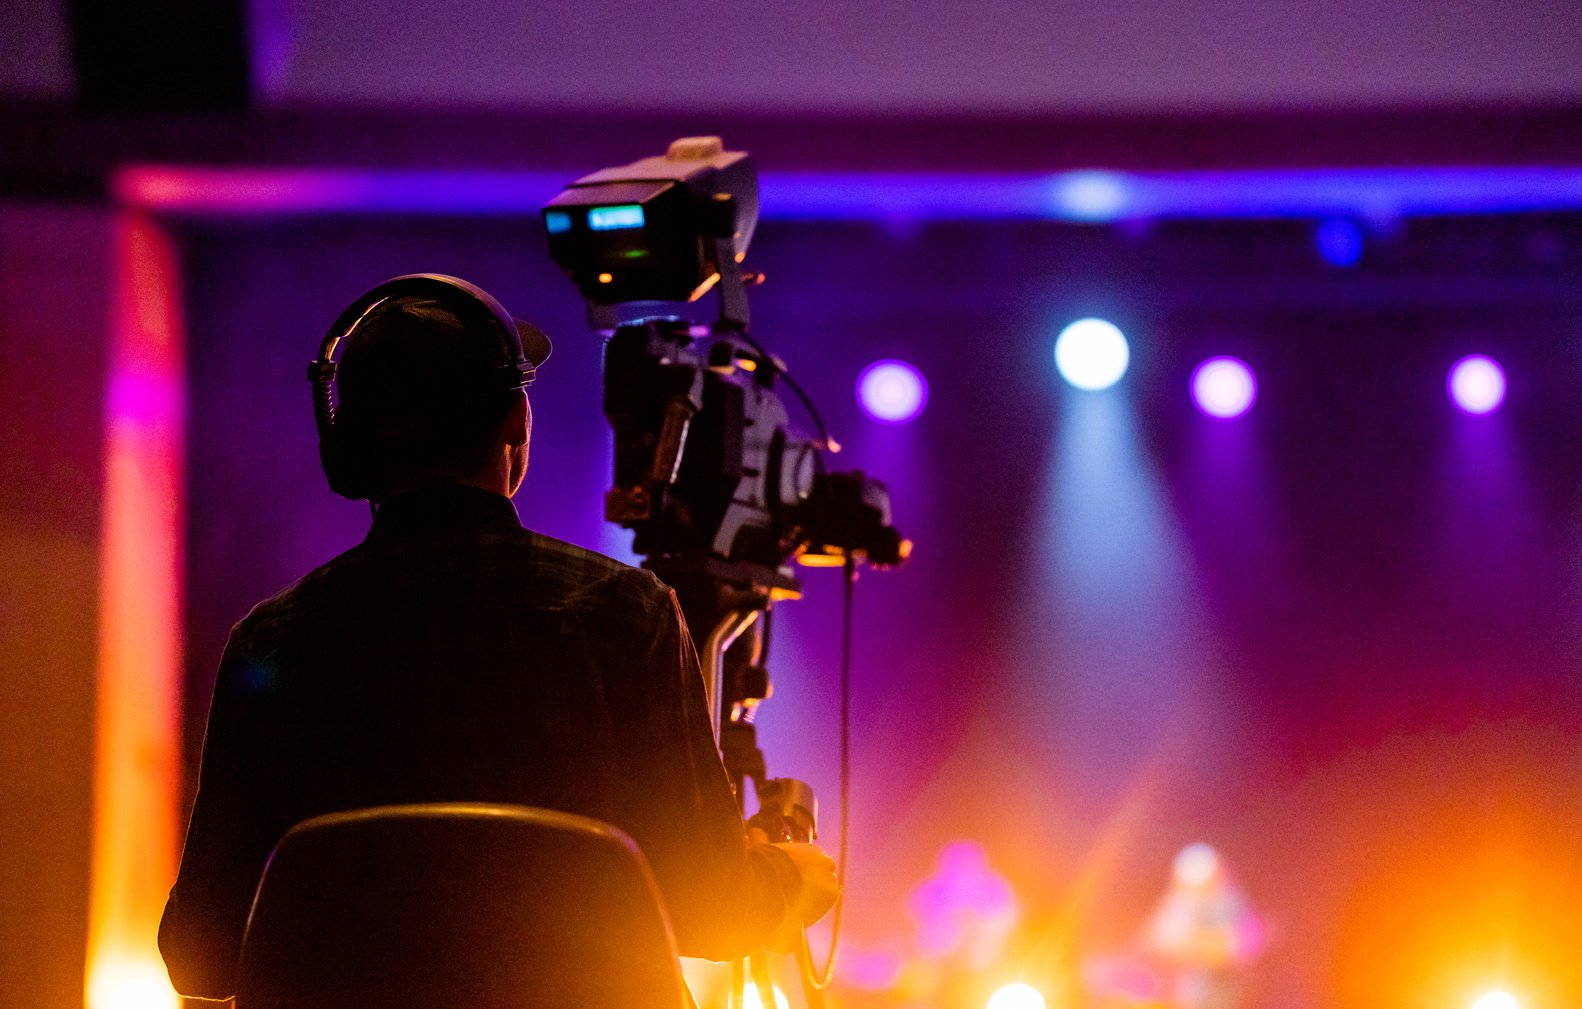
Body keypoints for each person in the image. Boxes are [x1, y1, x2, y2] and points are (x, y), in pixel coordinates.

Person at [158, 278, 838, 1000]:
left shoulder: (270, 642)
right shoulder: (624, 615)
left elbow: (201, 952)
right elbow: (715, 910)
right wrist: (789, 877)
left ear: (347, 445)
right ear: (516, 422)